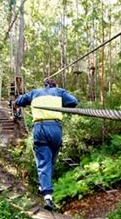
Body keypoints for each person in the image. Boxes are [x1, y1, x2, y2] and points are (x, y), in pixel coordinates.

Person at [15, 79, 78, 211]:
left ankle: (47, 196)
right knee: (50, 162)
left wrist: (24, 99)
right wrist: (61, 99)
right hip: (56, 129)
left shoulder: (34, 93)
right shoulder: (59, 92)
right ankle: (43, 186)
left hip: (41, 128)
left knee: (44, 162)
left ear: (44, 85)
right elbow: (73, 102)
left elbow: (19, 101)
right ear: (54, 85)